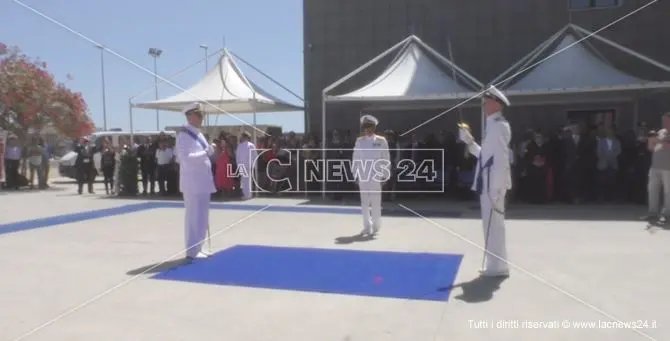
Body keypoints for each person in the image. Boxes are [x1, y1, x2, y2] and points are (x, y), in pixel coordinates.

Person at [458, 85, 512, 277]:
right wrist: (470, 142)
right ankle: (497, 265)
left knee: (493, 225)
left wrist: (497, 188)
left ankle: (496, 267)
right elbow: (486, 156)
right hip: (489, 183)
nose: (482, 104)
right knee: (491, 225)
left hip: (492, 185)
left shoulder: (498, 126)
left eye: (485, 101)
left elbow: (502, 160)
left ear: (495, 103)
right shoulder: (493, 125)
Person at [176, 102, 216, 260]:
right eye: (199, 115)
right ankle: (192, 250)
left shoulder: (198, 134)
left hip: (203, 181)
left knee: (202, 216)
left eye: (202, 115)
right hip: (192, 182)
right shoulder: (184, 135)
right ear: (190, 116)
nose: (202, 118)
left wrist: (208, 151)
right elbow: (185, 159)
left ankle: (199, 246)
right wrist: (206, 152)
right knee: (193, 216)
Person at [352, 114, 390, 236]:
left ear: (374, 128)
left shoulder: (381, 141)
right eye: (365, 127)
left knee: (376, 202)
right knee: (364, 202)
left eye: (369, 127)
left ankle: (376, 226)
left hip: (376, 175)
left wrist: (385, 175)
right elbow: (356, 158)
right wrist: (355, 174)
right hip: (363, 175)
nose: (367, 130)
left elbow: (385, 159)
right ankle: (367, 226)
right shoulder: (359, 141)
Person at [645, 112, 670, 225]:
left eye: (666, 120)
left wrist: (659, 140)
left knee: (668, 192)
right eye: (663, 120)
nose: (664, 122)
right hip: (655, 166)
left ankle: (667, 215)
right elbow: (652, 148)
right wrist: (650, 141)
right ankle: (652, 213)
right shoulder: (660, 132)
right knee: (652, 191)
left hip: (667, 167)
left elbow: (667, 145)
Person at [235, 131, 258, 200]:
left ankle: (247, 194)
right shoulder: (246, 145)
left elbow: (237, 157)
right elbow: (254, 156)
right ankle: (247, 194)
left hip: (244, 164)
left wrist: (238, 164)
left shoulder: (248, 145)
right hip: (246, 165)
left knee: (245, 180)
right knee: (246, 180)